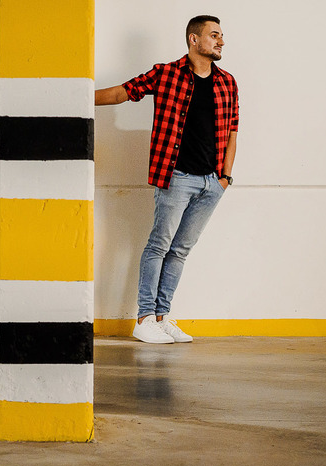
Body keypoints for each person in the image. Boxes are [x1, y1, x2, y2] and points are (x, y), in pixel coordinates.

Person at [95, 15, 239, 344]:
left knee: (181, 250)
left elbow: (232, 131)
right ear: (194, 39)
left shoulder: (227, 82)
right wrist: (78, 97)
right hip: (175, 177)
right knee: (159, 245)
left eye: (221, 36)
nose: (221, 41)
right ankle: (144, 318)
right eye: (214, 35)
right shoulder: (166, 74)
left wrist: (225, 178)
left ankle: (162, 317)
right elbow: (122, 93)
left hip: (211, 183)